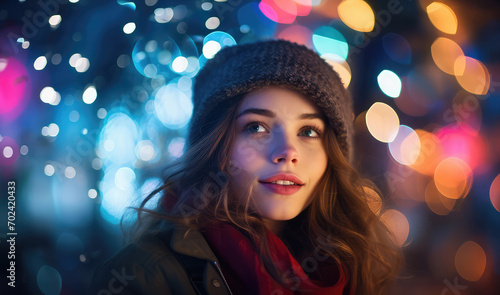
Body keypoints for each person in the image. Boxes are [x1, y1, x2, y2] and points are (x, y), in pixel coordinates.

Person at [89, 39, 402, 295]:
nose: (288, 153)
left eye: (309, 131)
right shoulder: (142, 276)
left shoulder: (354, 268)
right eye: (257, 127)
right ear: (215, 147)